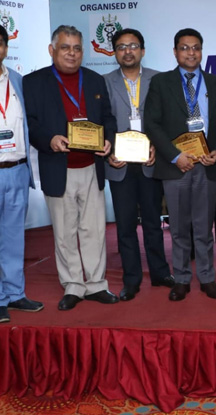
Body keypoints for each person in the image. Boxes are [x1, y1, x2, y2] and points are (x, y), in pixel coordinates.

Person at [24, 25, 119, 311]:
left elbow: (108, 118)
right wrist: (49, 139)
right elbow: (30, 124)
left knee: (94, 229)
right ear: (52, 50)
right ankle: (74, 285)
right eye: (65, 47)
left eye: (77, 48)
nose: (71, 53)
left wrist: (108, 140)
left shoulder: (95, 80)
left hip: (91, 166)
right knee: (65, 232)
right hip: (58, 167)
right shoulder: (34, 82)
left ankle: (96, 284)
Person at [144, 28, 216, 302]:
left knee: (204, 226)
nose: (191, 53)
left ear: (201, 51)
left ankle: (207, 278)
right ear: (175, 52)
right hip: (176, 166)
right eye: (184, 48)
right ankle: (182, 279)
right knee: (179, 228)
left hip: (207, 165)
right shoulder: (161, 83)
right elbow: (152, 124)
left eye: (195, 47)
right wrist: (175, 156)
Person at [104, 28, 174, 302]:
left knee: (154, 222)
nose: (128, 51)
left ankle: (160, 273)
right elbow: (102, 120)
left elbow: (167, 119)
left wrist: (158, 145)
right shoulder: (104, 82)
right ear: (115, 53)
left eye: (133, 46)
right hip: (119, 163)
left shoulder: (160, 79)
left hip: (150, 160)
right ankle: (131, 280)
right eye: (121, 47)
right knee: (124, 226)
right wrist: (108, 150)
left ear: (142, 50)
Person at [0, 25, 44, 323]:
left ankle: (14, 293)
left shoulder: (17, 80)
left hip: (16, 170)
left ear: (6, 48)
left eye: (0, 43)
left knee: (14, 237)